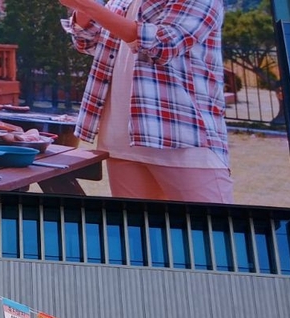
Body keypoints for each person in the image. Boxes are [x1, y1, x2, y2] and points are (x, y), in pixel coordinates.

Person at [59, 0, 233, 204]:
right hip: (122, 142)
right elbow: (89, 41)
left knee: (212, 232)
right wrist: (83, 6)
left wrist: (87, 5)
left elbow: (163, 44)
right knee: (137, 234)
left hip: (183, 141)